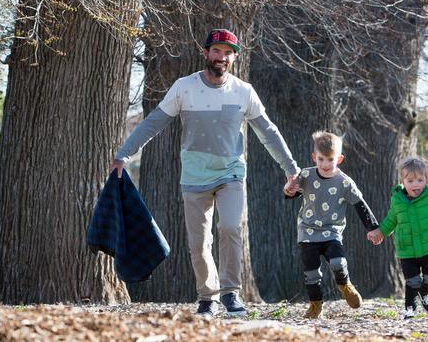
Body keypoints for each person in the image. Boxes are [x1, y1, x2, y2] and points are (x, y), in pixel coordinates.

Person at [111, 29, 300, 318]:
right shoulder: (184, 88)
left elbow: (268, 132)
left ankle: (231, 293)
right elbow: (154, 123)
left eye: (227, 52)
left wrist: (291, 169)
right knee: (198, 243)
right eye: (216, 51)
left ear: (234, 57)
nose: (221, 57)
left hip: (231, 174)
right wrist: (123, 153)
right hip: (195, 177)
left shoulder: (243, 91)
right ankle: (207, 298)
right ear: (206, 53)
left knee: (230, 228)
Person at [283, 131, 381, 319]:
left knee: (338, 262)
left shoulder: (344, 182)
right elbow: (291, 192)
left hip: (331, 232)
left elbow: (360, 204)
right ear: (314, 157)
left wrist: (373, 227)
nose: (325, 165)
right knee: (311, 274)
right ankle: (316, 305)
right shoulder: (306, 175)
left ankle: (345, 285)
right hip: (307, 232)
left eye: (330, 159)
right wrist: (288, 189)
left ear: (339, 158)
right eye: (321, 159)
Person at [367, 157, 428, 319]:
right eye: (410, 180)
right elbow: (391, 221)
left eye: (420, 180)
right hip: (406, 249)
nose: (416, 184)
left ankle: (424, 294)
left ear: (426, 180)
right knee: (412, 282)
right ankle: (410, 308)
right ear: (403, 181)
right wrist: (380, 232)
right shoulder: (397, 201)